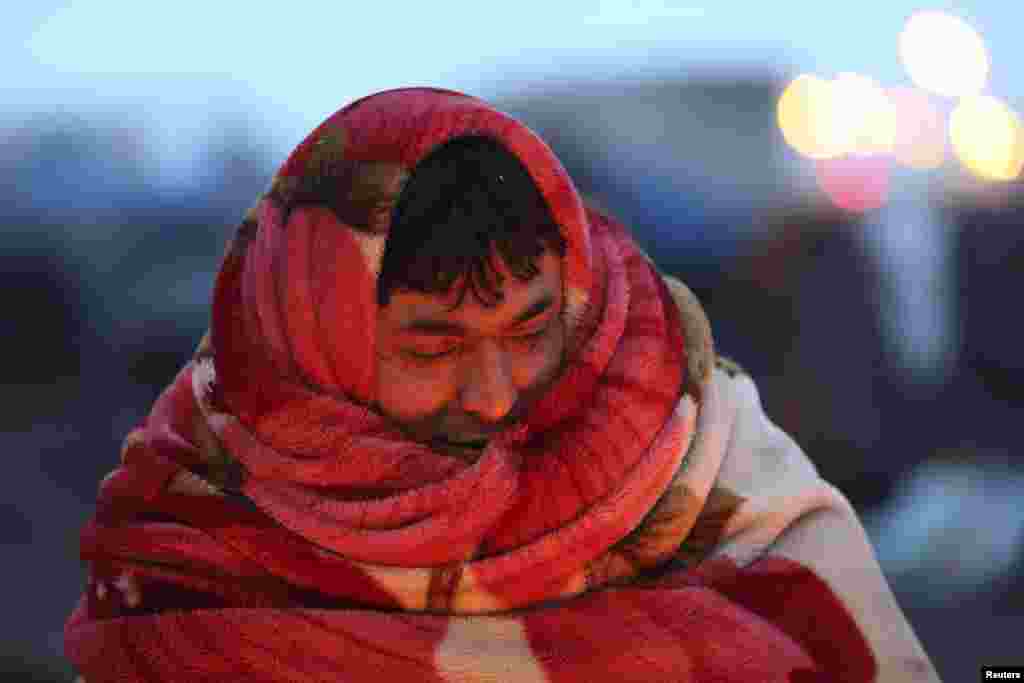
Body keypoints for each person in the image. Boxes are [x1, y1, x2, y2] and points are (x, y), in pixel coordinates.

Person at [65, 87, 940, 682]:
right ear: (318, 336)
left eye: (530, 330)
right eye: (433, 343)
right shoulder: (197, 508)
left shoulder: (694, 438)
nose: (492, 394)